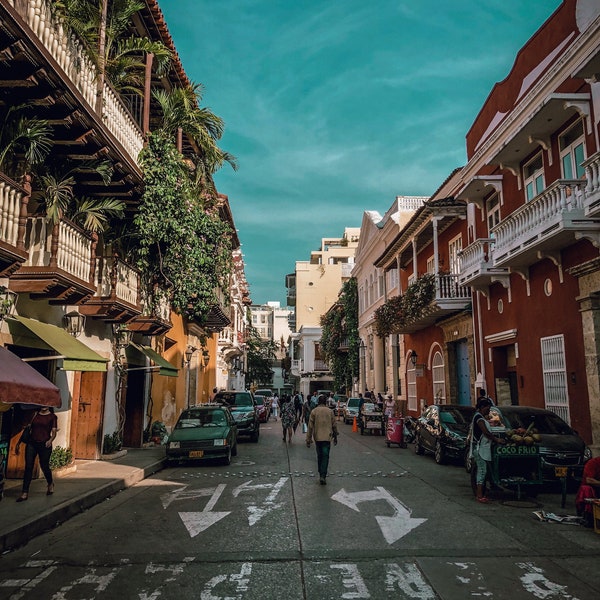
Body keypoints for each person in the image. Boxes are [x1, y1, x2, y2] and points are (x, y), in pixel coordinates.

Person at [15, 406, 58, 502]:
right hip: (32, 443)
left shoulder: (52, 417)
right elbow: (28, 427)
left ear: (49, 406)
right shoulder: (34, 414)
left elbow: (54, 432)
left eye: (46, 404)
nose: (43, 406)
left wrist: (50, 440)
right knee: (28, 467)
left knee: (44, 466)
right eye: (42, 403)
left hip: (45, 444)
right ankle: (24, 493)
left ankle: (50, 483)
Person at [471, 396, 505, 503]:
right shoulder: (479, 418)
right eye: (487, 408)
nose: (489, 410)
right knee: (482, 471)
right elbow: (485, 432)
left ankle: (482, 493)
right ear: (481, 407)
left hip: (483, 448)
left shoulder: (480, 417)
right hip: (480, 449)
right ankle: (479, 495)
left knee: (484, 471)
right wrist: (496, 439)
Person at [306, 395, 338, 485]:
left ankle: (321, 473)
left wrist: (308, 439)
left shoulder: (314, 411)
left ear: (318, 402)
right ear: (325, 402)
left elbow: (310, 427)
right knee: (325, 456)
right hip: (327, 438)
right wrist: (335, 436)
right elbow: (334, 425)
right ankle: (323, 475)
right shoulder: (330, 411)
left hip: (317, 438)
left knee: (319, 455)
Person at [576, 456, 600, 526]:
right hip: (591, 490)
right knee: (586, 489)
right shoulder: (593, 463)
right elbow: (588, 480)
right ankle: (588, 516)